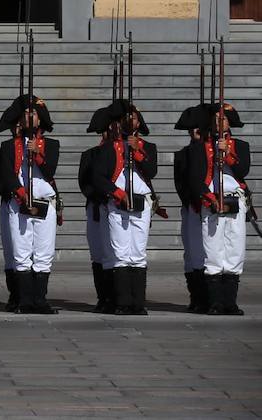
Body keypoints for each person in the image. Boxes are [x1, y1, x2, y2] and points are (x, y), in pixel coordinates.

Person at [0, 94, 60, 314]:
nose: (30, 117)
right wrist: (21, 193)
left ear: (40, 120)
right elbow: (5, 174)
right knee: (21, 253)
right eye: (26, 114)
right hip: (19, 202)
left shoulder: (51, 145)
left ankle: (39, 299)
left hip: (44, 203)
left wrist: (38, 154)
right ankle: (23, 300)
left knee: (43, 253)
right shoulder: (9, 146)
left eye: (34, 114)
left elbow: (50, 171)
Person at [90, 100, 158, 315]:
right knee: (120, 252)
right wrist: (117, 193)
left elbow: (151, 171)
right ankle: (122, 301)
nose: (131, 121)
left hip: (141, 202)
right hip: (117, 202)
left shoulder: (148, 147)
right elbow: (97, 177)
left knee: (138, 253)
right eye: (126, 118)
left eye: (134, 117)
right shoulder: (110, 148)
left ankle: (137, 302)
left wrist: (137, 151)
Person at [187, 102, 251, 315]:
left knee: (234, 250)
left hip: (234, 200)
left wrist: (228, 153)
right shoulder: (200, 147)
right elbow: (195, 178)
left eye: (222, 119)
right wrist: (209, 198)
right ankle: (214, 302)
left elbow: (243, 171)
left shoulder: (241, 145)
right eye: (215, 119)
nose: (219, 122)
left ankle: (229, 302)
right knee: (213, 251)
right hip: (212, 201)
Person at [173, 104, 208, 313]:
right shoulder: (184, 154)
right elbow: (181, 183)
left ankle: (210, 296)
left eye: (199, 127)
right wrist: (193, 201)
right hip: (193, 207)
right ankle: (197, 297)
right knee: (192, 254)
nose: (195, 131)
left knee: (210, 254)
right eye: (192, 128)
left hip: (211, 208)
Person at [80, 110, 113, 313]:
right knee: (99, 254)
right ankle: (104, 297)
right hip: (98, 207)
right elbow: (85, 183)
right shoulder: (91, 154)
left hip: (121, 208)